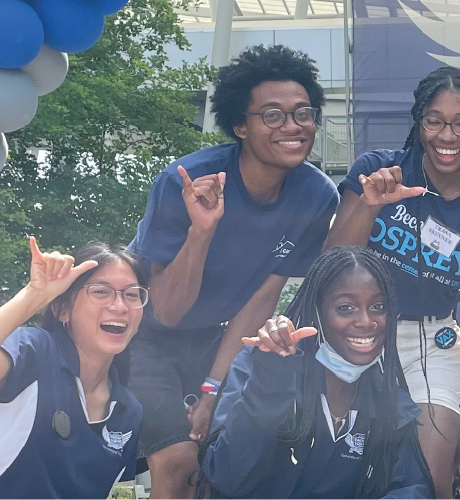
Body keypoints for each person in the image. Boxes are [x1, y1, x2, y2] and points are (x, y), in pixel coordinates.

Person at [126, 44, 339, 499]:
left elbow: (261, 301)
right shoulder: (187, 180)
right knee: (178, 458)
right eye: (273, 115)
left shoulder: (317, 196)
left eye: (303, 113)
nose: (292, 127)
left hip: (216, 337)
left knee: (223, 458)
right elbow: (162, 309)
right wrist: (201, 232)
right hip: (143, 334)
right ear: (240, 125)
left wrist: (212, 387)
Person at [327, 65, 460, 490]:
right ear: (419, 121)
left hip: (431, 343)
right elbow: (330, 265)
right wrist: (371, 204)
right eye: (435, 120)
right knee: (342, 474)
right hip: (354, 331)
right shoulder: (377, 171)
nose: (447, 136)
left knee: (430, 481)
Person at [200, 246, 432, 499]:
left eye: (378, 306)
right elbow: (228, 477)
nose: (366, 321)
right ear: (317, 314)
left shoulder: (389, 400)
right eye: (345, 308)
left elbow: (411, 489)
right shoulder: (262, 366)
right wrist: (271, 380)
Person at [0, 238, 146, 500]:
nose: (120, 306)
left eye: (132, 294)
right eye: (101, 291)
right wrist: (36, 293)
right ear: (61, 309)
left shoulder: (129, 411)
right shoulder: (34, 351)